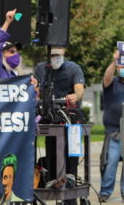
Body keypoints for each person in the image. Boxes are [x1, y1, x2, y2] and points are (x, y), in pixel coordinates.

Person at [34, 46, 85, 205]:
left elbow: (79, 89)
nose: (56, 57)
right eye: (53, 55)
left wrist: (75, 96)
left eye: (58, 54)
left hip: (71, 121)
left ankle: (70, 200)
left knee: (70, 168)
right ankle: (53, 189)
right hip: (50, 120)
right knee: (52, 161)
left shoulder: (73, 68)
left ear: (64, 53)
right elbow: (36, 90)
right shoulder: (41, 68)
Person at [99, 50, 124, 202]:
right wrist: (114, 60)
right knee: (111, 163)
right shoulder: (112, 82)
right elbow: (106, 77)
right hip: (114, 131)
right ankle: (105, 192)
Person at [0, 9, 22, 79]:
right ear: (2, 54)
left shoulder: (14, 74)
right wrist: (7, 22)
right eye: (12, 51)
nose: (16, 54)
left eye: (16, 52)